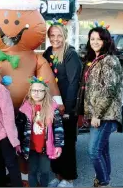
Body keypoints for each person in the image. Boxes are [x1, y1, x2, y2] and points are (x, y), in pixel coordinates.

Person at [80, 23, 123, 187]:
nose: (95, 41)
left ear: (106, 41)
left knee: (94, 151)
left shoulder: (109, 60)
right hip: (98, 114)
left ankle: (103, 182)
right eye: (92, 38)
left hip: (105, 114)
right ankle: (105, 180)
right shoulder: (96, 60)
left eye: (99, 39)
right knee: (102, 150)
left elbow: (109, 90)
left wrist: (97, 114)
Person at [43, 19, 82, 187]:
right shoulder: (47, 53)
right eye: (52, 35)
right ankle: (58, 175)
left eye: (59, 35)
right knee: (54, 141)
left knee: (67, 142)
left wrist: (67, 107)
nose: (56, 39)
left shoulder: (70, 54)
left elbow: (74, 82)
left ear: (65, 36)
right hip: (51, 106)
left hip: (66, 108)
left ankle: (69, 178)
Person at [16, 76, 64, 187]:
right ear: (30, 91)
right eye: (34, 90)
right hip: (30, 147)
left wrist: (58, 145)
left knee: (45, 171)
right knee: (32, 171)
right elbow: (19, 128)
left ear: (45, 92)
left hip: (46, 147)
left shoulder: (52, 108)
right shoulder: (25, 109)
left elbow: (58, 128)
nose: (37, 93)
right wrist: (17, 143)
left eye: (40, 90)